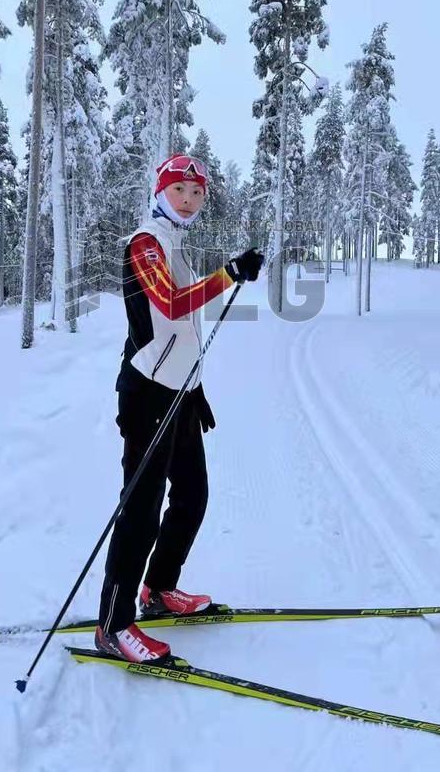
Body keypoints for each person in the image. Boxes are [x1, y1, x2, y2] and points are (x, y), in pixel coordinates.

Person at [95, 153, 264, 662]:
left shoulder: (177, 245)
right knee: (141, 512)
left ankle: (158, 589)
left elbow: (182, 330)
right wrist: (229, 273)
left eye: (196, 193)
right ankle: (113, 625)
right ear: (160, 192)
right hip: (147, 394)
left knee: (192, 496)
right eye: (179, 190)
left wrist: (195, 390)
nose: (188, 200)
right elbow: (169, 303)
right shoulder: (146, 243)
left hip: (180, 394)